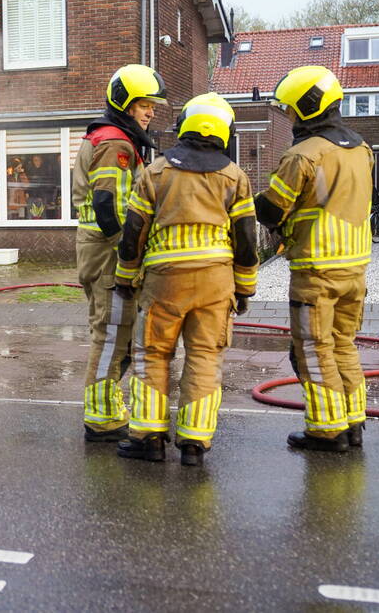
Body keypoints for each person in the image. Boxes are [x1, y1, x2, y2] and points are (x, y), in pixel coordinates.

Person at [114, 93, 258, 466]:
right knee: (205, 357)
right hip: (215, 284)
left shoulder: (156, 172)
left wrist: (125, 278)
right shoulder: (235, 176)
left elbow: (133, 233)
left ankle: (149, 438)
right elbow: (246, 238)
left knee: (153, 356)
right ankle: (194, 443)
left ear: (184, 127)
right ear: (225, 132)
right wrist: (244, 288)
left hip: (164, 283)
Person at [254, 66, 374, 453]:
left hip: (316, 271)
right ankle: (353, 423)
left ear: (307, 106)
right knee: (344, 345)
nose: (289, 116)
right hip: (355, 269)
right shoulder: (362, 150)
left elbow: (272, 209)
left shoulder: (303, 155)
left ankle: (326, 430)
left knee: (313, 349)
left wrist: (247, 200)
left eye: (291, 108)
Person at [71, 64, 165, 443]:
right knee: (111, 334)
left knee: (118, 334)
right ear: (125, 103)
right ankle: (102, 418)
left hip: (100, 250)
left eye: (152, 106)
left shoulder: (113, 139)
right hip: (108, 253)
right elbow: (108, 205)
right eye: (144, 104)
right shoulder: (115, 144)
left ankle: (106, 407)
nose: (150, 112)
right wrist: (130, 256)